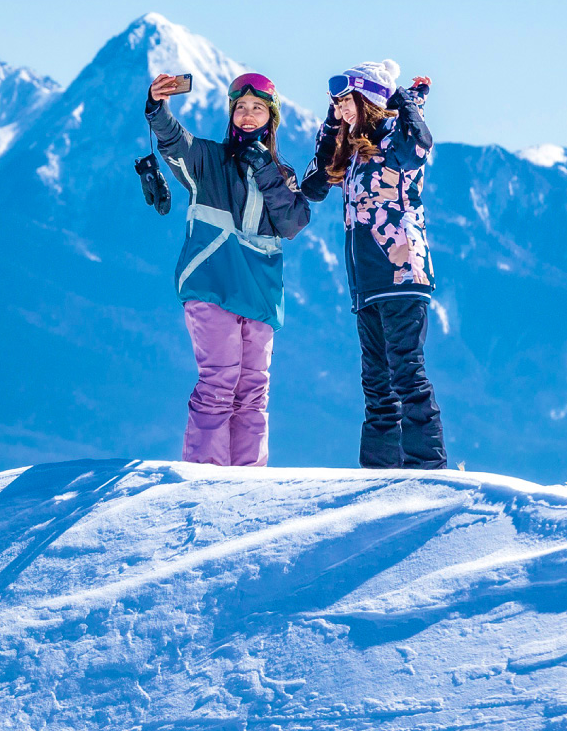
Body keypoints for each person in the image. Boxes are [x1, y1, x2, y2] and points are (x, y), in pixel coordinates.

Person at [146, 71, 310, 467]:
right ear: (231, 114)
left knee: (254, 391)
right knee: (219, 384)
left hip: (260, 294)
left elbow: (292, 223)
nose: (248, 116)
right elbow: (173, 141)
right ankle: (207, 479)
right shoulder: (209, 161)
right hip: (213, 282)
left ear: (271, 118)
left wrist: (265, 169)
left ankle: (248, 483)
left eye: (258, 108)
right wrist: (157, 107)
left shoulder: (282, 175)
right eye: (241, 108)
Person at [301, 61, 446, 470]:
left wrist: (402, 99)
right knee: (377, 384)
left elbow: (420, 144)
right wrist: (332, 130)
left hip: (401, 274)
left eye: (347, 103)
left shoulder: (395, 142)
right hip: (365, 283)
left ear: (368, 100)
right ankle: (378, 476)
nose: (341, 111)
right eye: (335, 105)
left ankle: (426, 470)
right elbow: (313, 187)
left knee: (406, 374)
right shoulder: (352, 151)